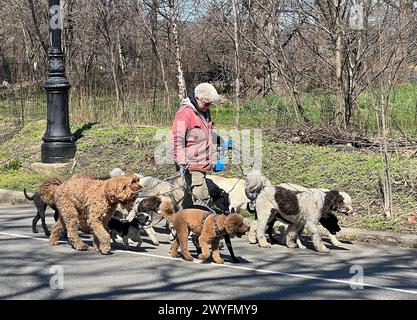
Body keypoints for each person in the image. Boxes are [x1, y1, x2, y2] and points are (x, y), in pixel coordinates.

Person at [171, 82, 223, 209]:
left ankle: (182, 224)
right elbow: (177, 139)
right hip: (191, 166)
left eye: (210, 104)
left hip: (203, 164)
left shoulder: (205, 112)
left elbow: (207, 133)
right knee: (202, 202)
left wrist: (221, 141)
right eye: (206, 103)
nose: (208, 106)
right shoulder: (185, 113)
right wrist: (182, 161)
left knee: (188, 203)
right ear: (197, 98)